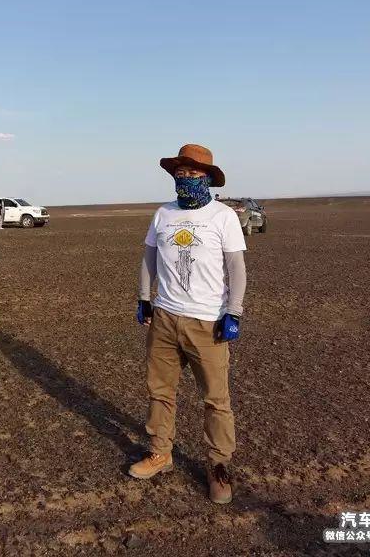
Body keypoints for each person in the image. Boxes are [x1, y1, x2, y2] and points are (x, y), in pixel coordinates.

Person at [130, 144, 247, 505]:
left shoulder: (223, 216)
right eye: (180, 174)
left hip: (207, 322)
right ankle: (160, 452)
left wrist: (234, 312)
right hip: (165, 318)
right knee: (160, 391)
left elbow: (236, 268)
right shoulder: (163, 214)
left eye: (194, 174)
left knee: (216, 399)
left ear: (208, 178)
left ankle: (218, 465)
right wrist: (144, 297)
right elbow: (149, 258)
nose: (186, 179)